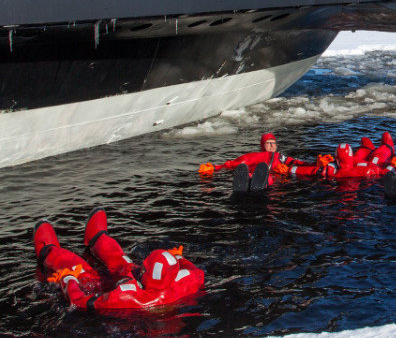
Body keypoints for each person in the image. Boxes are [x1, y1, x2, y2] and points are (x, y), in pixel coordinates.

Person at [34, 208, 204, 311]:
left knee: (85, 275)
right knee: (124, 262)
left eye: (144, 268)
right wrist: (177, 257)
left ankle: (48, 250)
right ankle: (98, 238)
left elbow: (79, 302)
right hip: (146, 285)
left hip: (123, 292)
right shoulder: (189, 279)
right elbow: (192, 269)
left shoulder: (127, 298)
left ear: (149, 275)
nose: (142, 267)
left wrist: (68, 280)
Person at [199, 133, 309, 192]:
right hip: (256, 174)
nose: (271, 145)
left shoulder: (282, 158)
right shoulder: (255, 155)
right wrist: (214, 167)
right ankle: (247, 181)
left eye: (273, 143)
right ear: (262, 145)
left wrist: (317, 164)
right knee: (249, 173)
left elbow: (299, 163)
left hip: (272, 178)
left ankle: (258, 183)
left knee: (270, 178)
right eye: (268, 143)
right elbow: (234, 163)